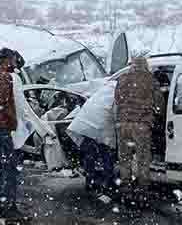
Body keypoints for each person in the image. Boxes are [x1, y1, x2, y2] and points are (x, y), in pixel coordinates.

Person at [0, 47, 32, 224]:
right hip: (3, 129)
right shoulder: (6, 77)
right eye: (13, 59)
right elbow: (10, 105)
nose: (14, 62)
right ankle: (10, 209)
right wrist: (15, 122)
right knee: (10, 170)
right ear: (8, 60)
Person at [114, 56, 163, 207]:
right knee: (143, 160)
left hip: (123, 125)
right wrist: (156, 114)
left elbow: (117, 100)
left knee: (125, 159)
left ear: (132, 65)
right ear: (145, 65)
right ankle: (142, 192)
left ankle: (126, 190)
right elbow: (159, 104)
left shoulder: (122, 79)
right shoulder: (151, 80)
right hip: (141, 126)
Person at [67, 80, 118, 198]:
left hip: (86, 121)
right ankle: (107, 183)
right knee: (106, 152)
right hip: (100, 123)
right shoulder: (117, 90)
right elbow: (116, 114)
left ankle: (90, 181)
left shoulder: (105, 86)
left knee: (90, 153)